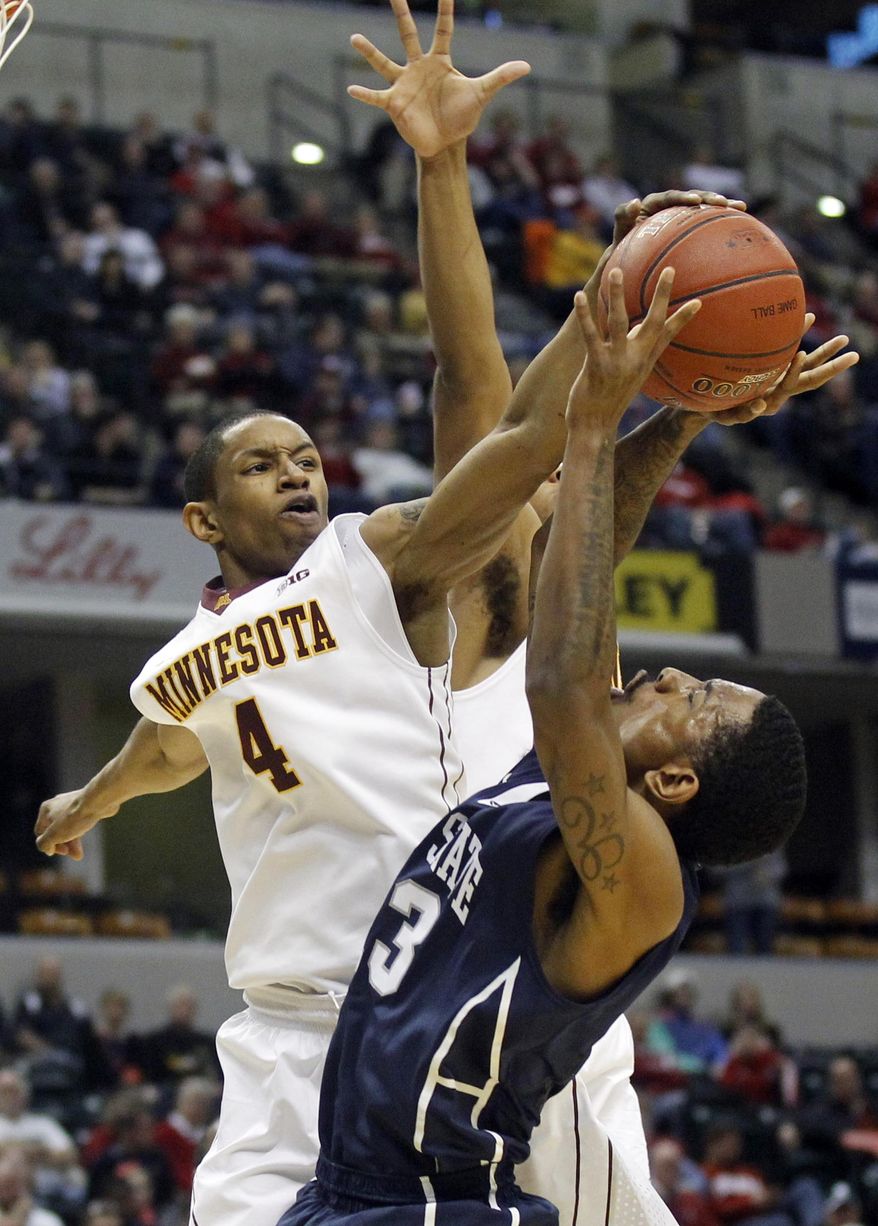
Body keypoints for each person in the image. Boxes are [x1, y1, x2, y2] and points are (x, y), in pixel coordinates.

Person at [31, 13, 580, 1226]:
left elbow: (477, 398)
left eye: (308, 457)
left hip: (432, 1005)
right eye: (264, 464)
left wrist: (445, 172)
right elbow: (168, 744)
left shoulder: (377, 563)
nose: (300, 473)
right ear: (199, 516)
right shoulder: (184, 658)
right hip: (281, 1032)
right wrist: (89, 802)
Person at [278, 276, 808, 1226]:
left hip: (440, 1202)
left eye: (696, 699)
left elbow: (559, 682)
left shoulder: (640, 870)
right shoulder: (557, 783)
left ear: (677, 779)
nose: (675, 674)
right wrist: (687, 411)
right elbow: (579, 544)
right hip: (355, 1192)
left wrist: (595, 429)